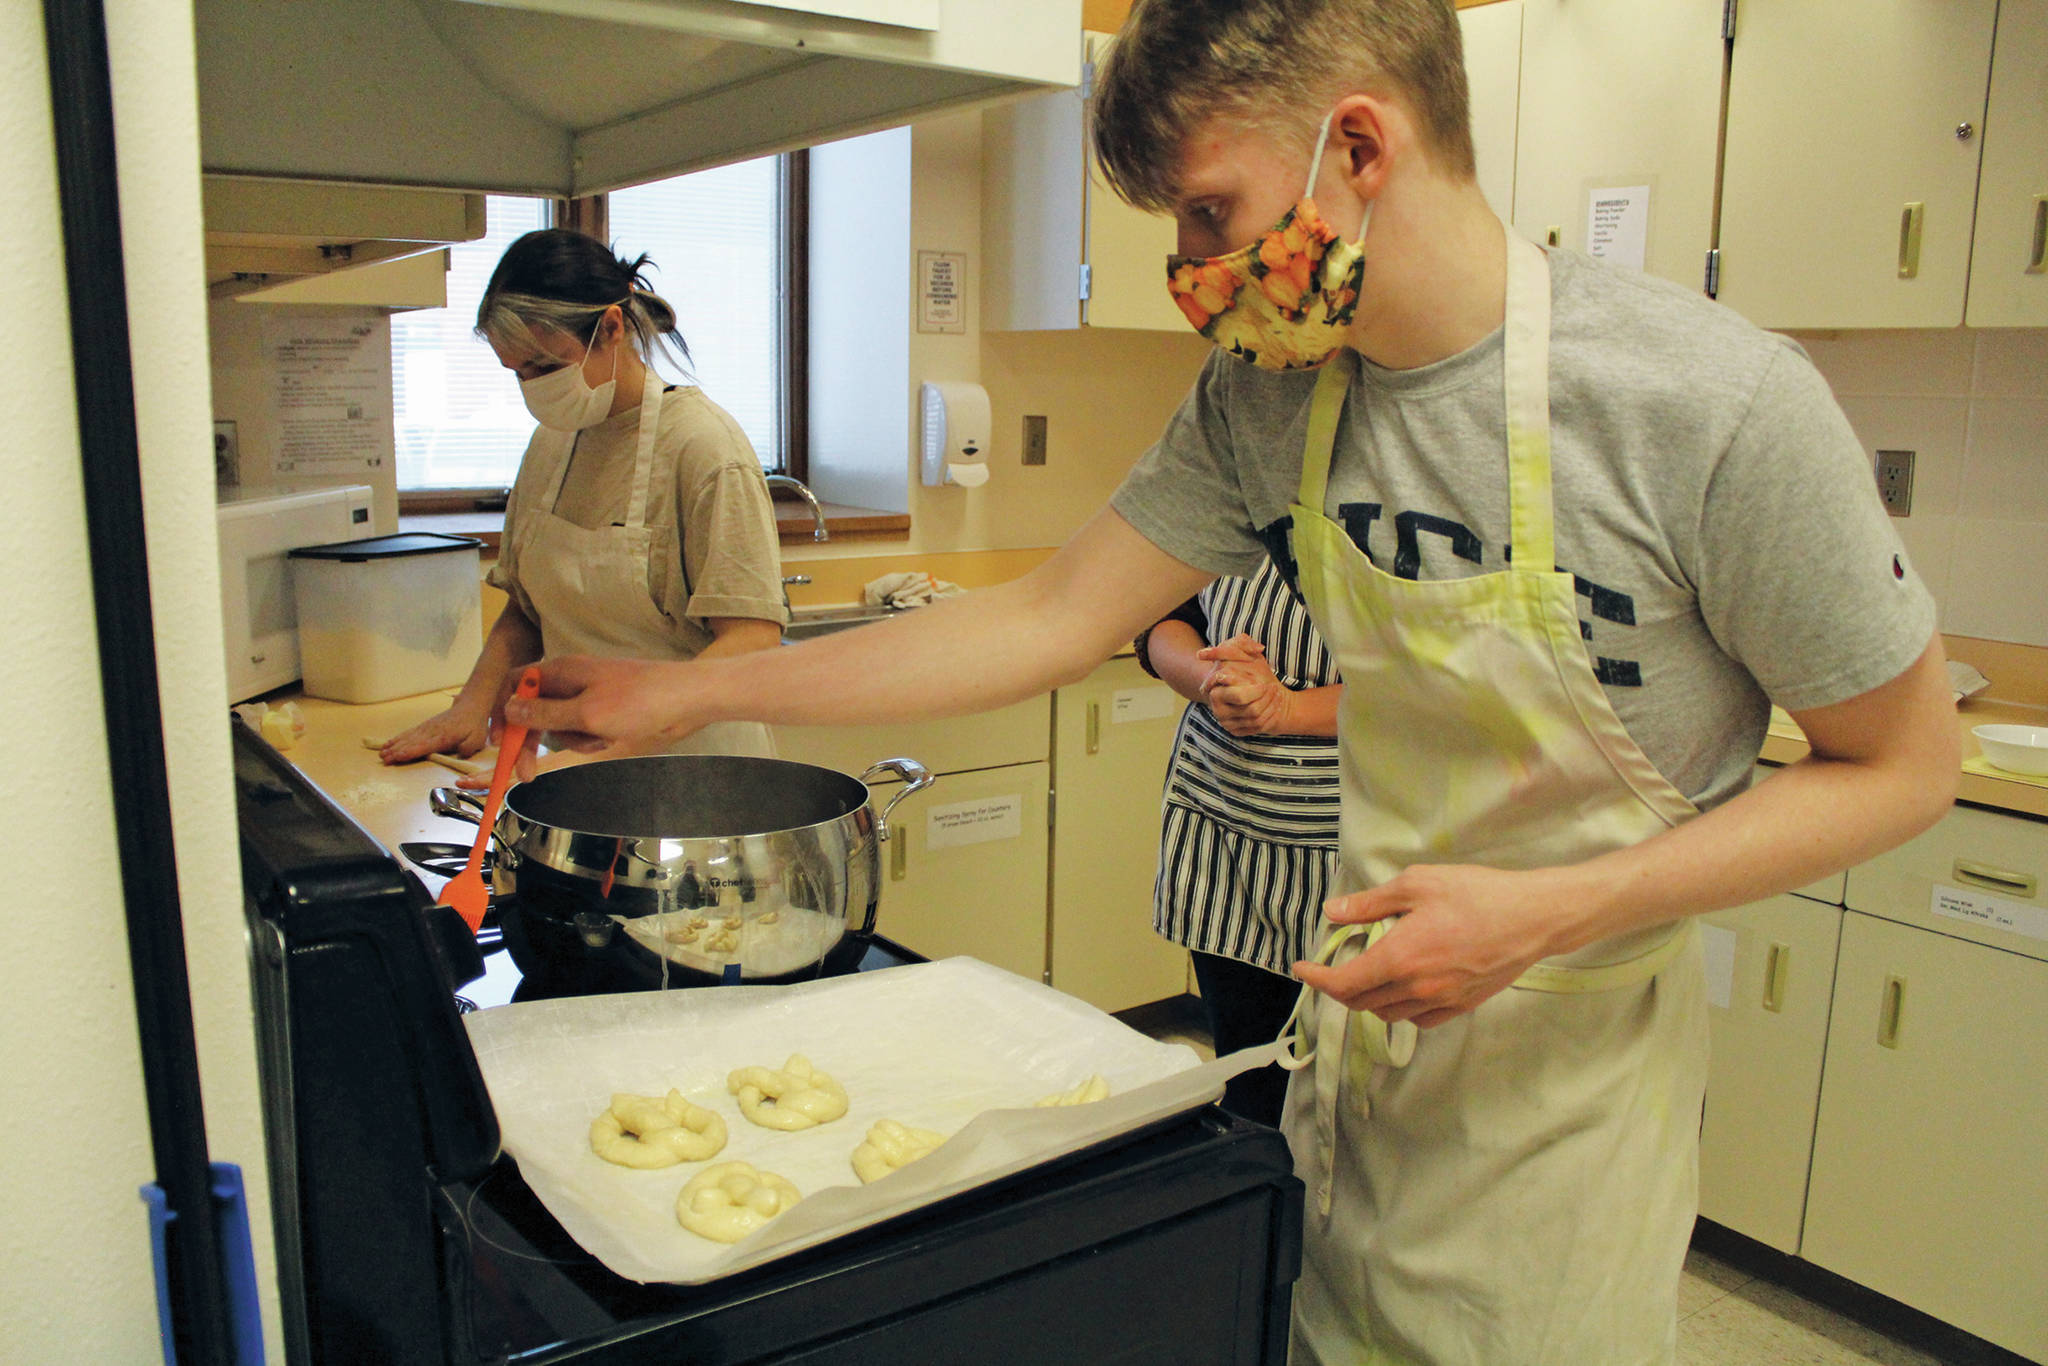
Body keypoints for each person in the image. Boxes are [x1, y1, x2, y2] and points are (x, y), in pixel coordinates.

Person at [499, 2, 1959, 1360]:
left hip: (1571, 1086)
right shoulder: (1275, 396)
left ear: (1362, 148)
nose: (1192, 268)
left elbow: (1905, 764)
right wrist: (683, 695)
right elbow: (1049, 615)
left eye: (1211, 212)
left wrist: (1551, 910)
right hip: (1358, 1048)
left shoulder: (1706, 405)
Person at [381, 227, 787, 769]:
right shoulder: (553, 441)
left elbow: (752, 641)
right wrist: (469, 709)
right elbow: (528, 611)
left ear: (611, 328)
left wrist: (626, 741)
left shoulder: (703, 447)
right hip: (578, 766)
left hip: (697, 768)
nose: (533, 387)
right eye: (518, 372)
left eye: (546, 367)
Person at [1136, 560, 1340, 1127]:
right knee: (1250, 1082)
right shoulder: (1236, 492)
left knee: (1343, 1104)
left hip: (1350, 841)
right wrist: (1212, 679)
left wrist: (1288, 708)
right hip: (1221, 824)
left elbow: (1438, 685)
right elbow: (1165, 620)